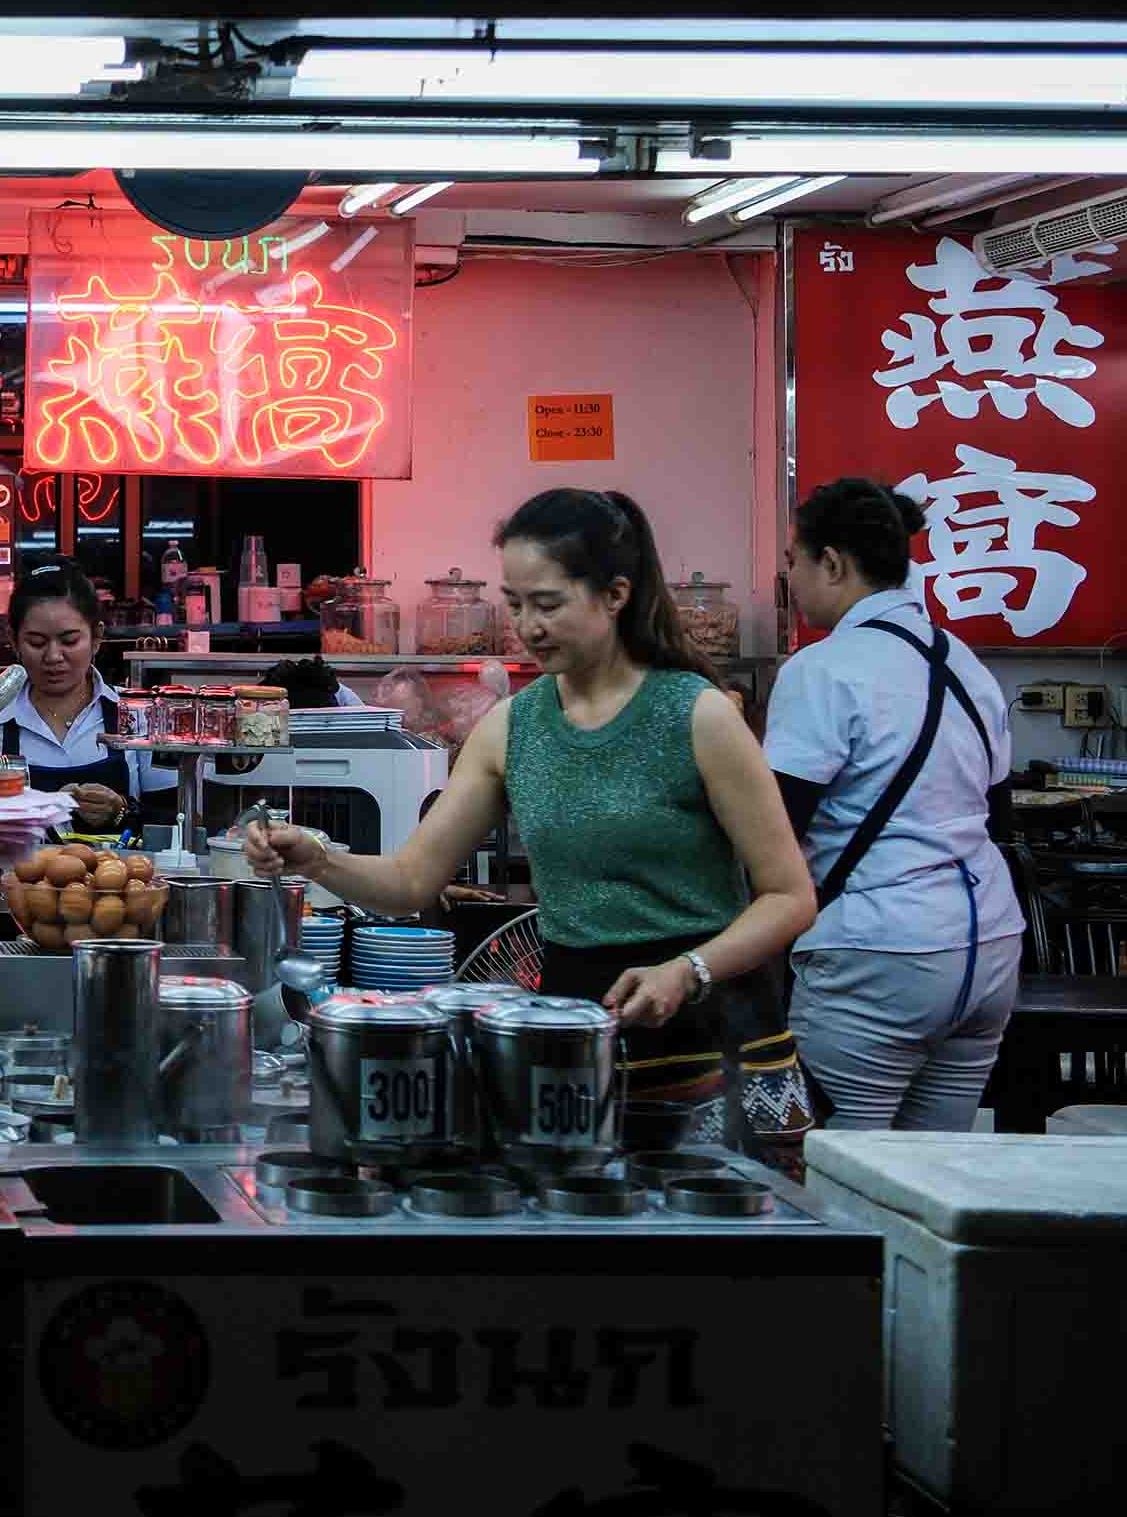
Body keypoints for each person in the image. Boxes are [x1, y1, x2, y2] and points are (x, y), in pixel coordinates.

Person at [243, 489, 820, 1154]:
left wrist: (687, 970)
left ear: (615, 594)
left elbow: (789, 895)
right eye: (516, 604)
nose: (529, 626)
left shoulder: (698, 716)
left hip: (710, 1038)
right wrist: (315, 859)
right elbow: (410, 881)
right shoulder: (512, 726)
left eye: (547, 604)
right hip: (572, 1041)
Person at [770, 478, 1024, 1131]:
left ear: (832, 562)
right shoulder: (966, 664)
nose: (790, 580)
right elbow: (999, 817)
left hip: (881, 956)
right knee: (931, 1183)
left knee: (839, 1174)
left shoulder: (822, 669)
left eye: (793, 562)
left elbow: (773, 831)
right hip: (987, 952)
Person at [0, 561, 174, 834]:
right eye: (37, 643)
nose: (53, 657)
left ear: (97, 637)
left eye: (70, 641)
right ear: (13, 641)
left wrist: (122, 811)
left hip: (121, 874)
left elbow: (173, 823)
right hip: (19, 877)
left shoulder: (138, 716)